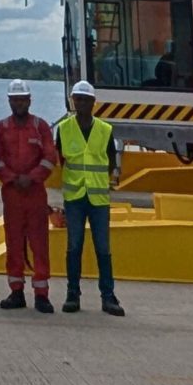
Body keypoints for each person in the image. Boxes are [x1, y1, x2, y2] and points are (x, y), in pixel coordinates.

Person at [54, 79, 126, 317]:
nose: (81, 103)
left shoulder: (105, 130)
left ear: (94, 102)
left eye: (86, 99)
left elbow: (111, 163)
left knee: (103, 249)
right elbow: (59, 159)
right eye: (78, 99)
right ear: (73, 101)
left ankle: (108, 296)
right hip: (74, 198)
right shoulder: (64, 129)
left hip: (98, 200)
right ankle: (72, 295)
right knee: (73, 247)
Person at [0, 78, 57, 314]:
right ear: (9, 101)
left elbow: (50, 157)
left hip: (35, 193)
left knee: (39, 242)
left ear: (29, 100)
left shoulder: (41, 127)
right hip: (12, 194)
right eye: (15, 100)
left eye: (22, 99)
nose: (19, 103)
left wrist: (33, 177)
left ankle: (41, 294)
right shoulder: (1, 128)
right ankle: (16, 291)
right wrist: (11, 178)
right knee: (14, 242)